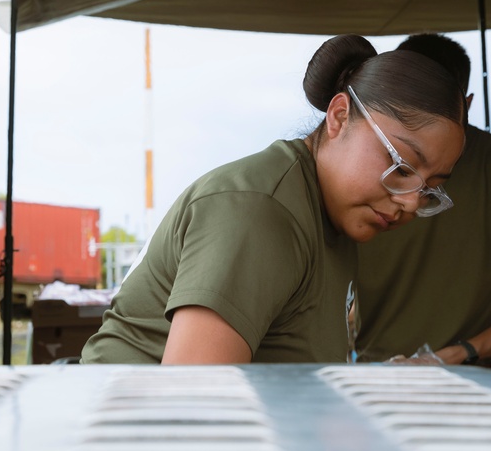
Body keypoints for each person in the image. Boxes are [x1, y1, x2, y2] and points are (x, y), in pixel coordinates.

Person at [82, 34, 466, 364]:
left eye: (431, 187)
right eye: (401, 167)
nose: (412, 204)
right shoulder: (259, 214)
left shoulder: (334, 219)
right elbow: (194, 406)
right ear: (338, 117)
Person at [354, 33, 491, 367]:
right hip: (371, 374)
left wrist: (456, 354)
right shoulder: (362, 162)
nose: (413, 202)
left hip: (468, 383)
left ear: (465, 105)